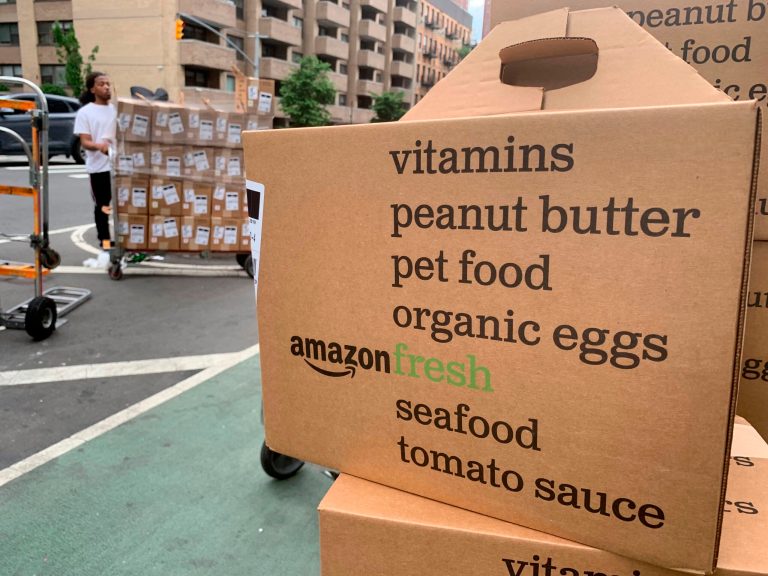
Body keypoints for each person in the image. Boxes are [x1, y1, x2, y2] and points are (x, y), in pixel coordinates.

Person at [74, 71, 116, 252]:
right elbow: (85, 142)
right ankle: (105, 241)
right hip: (99, 168)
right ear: (92, 89)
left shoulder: (115, 110)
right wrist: (100, 146)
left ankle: (125, 238)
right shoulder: (85, 113)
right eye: (101, 84)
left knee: (122, 206)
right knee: (103, 206)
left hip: (119, 167)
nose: (106, 87)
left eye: (108, 83)